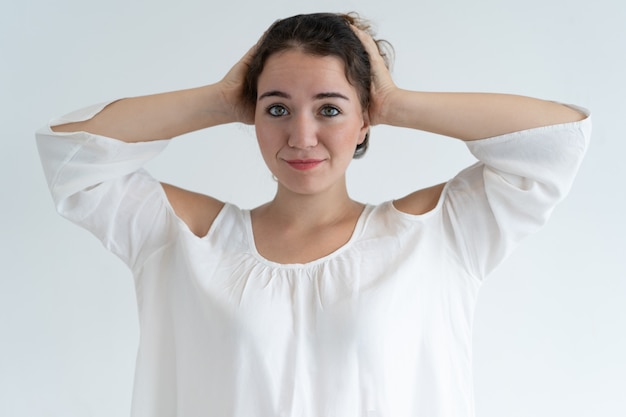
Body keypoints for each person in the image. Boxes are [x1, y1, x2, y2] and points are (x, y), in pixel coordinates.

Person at [36, 12, 590, 417]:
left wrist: (395, 102)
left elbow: (555, 142)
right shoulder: (187, 241)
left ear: (365, 120)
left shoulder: (436, 236)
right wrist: (222, 97)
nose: (302, 136)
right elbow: (72, 157)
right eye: (276, 108)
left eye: (330, 109)